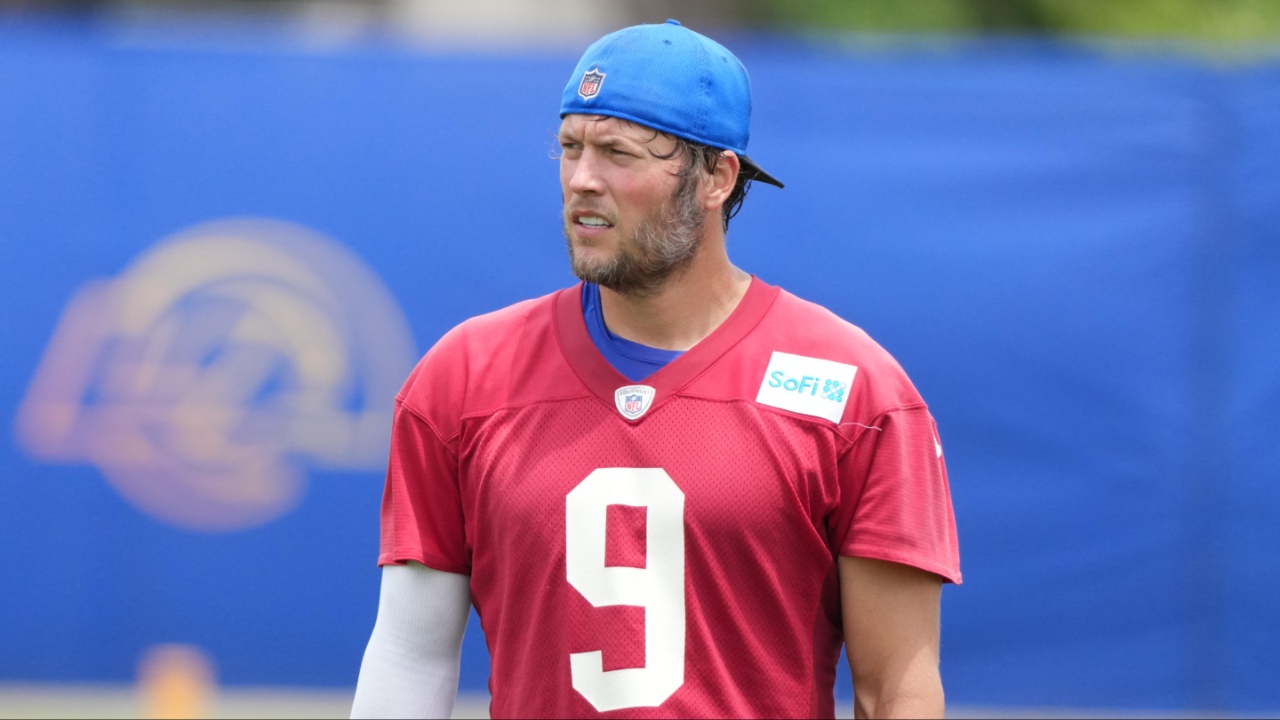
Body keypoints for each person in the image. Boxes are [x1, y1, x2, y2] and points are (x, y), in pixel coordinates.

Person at [351, 19, 960, 720]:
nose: (582, 179)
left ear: (716, 177)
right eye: (570, 147)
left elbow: (897, 692)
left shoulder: (857, 393)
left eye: (618, 152)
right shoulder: (462, 378)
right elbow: (410, 657)